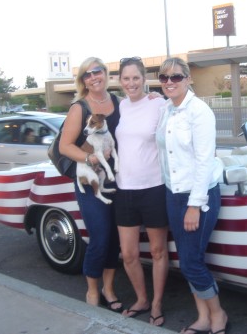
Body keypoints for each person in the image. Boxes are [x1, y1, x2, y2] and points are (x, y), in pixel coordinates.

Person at [155, 57, 229, 334]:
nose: (170, 82)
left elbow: (204, 161)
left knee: (191, 262)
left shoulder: (199, 111)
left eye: (176, 77)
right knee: (187, 259)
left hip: (197, 196)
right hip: (172, 193)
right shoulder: (166, 110)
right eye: (164, 78)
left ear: (188, 79)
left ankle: (218, 314)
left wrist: (195, 205)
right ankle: (203, 317)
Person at [59, 57, 123, 313]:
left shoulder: (118, 102)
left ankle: (109, 288)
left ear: (106, 74)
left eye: (97, 71)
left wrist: (153, 98)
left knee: (115, 238)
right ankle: (93, 289)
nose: (93, 77)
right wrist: (90, 158)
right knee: (100, 236)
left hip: (118, 180)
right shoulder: (79, 107)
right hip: (90, 181)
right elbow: (65, 146)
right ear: (83, 80)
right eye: (87, 74)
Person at [115, 57, 169, 327]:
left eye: (136, 78)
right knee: (128, 254)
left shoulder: (158, 103)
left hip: (154, 188)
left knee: (158, 251)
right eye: (126, 78)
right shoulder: (121, 106)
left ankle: (157, 303)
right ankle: (142, 298)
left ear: (144, 79)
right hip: (125, 189)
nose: (131, 83)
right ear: (120, 81)